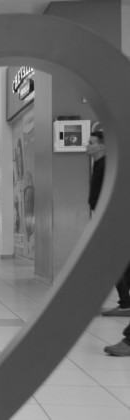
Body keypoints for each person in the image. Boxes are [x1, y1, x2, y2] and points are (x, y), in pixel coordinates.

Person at [87, 128, 130, 317]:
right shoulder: (99, 164)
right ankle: (125, 302)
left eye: (91, 143)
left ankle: (125, 303)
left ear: (101, 147)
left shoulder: (107, 167)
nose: (87, 145)